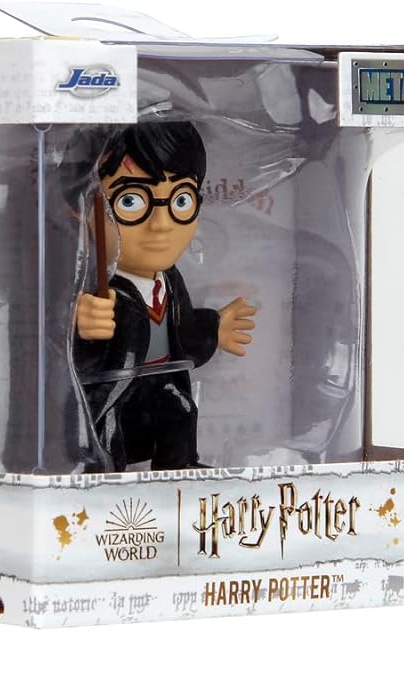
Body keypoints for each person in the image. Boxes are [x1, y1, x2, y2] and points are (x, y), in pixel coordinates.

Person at [63, 121, 257, 471]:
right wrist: (82, 327)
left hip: (158, 397)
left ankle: (179, 467)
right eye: (131, 201)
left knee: (181, 408)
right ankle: (104, 475)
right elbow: (63, 349)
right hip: (114, 402)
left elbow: (183, 332)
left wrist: (214, 329)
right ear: (81, 207)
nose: (162, 223)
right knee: (107, 433)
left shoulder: (169, 282)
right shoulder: (96, 291)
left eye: (181, 200)